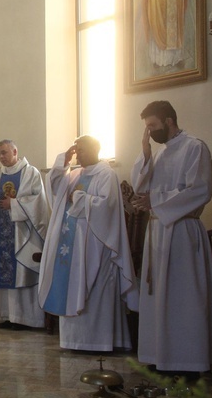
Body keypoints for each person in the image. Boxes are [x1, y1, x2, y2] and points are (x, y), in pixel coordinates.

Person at [131, 100, 212, 379]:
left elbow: (200, 189)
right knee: (158, 295)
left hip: (183, 231)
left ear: (169, 121)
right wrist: (146, 154)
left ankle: (189, 360)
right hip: (158, 232)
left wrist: (156, 201)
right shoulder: (159, 154)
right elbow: (140, 186)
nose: (149, 132)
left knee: (183, 297)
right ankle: (160, 355)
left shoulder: (194, 147)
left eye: (152, 126)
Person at [38, 135, 139, 351]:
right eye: (76, 149)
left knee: (96, 291)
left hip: (97, 246)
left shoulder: (106, 174)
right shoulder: (74, 175)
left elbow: (107, 207)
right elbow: (55, 189)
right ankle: (73, 340)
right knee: (71, 286)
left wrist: (81, 198)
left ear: (96, 150)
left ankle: (99, 342)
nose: (78, 153)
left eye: (82, 149)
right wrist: (62, 162)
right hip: (70, 246)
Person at [0, 140, 48, 330]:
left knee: (22, 272)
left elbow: (39, 202)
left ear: (15, 151)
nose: (2, 157)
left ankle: (25, 318)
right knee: (2, 270)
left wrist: (14, 205)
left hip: (23, 234)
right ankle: (7, 315)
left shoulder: (31, 173)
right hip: (1, 235)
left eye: (4, 152)